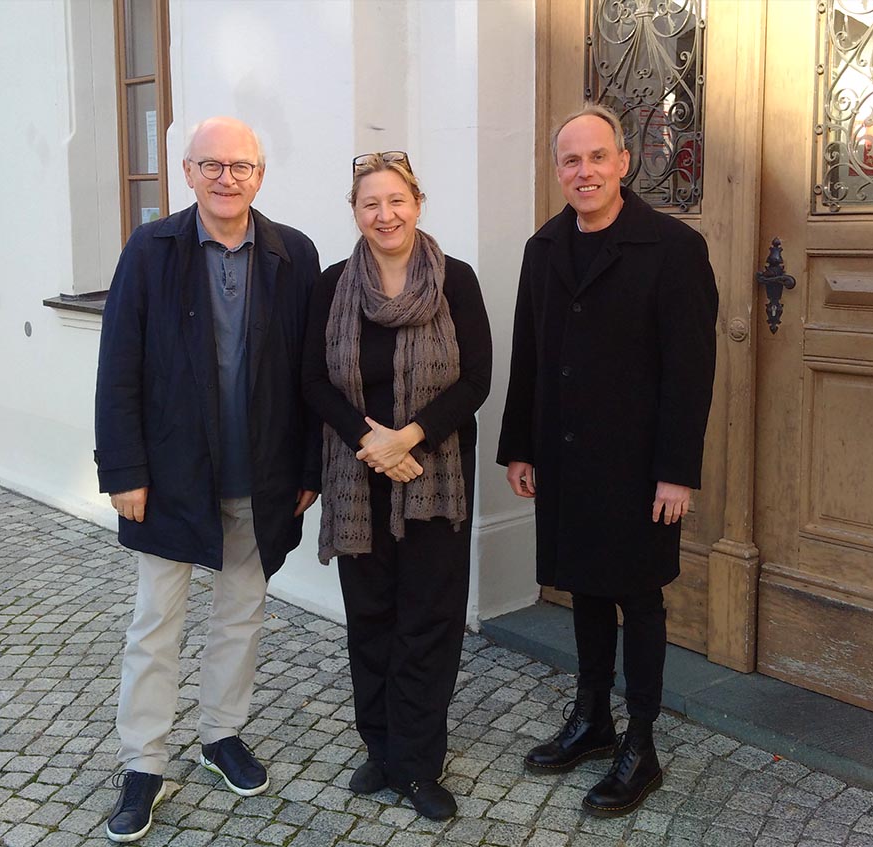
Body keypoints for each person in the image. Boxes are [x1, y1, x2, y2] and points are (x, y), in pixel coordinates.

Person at [94, 116, 320, 843]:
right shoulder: (151, 249)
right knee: (156, 623)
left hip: (262, 472)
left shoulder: (294, 254)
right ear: (187, 172)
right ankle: (143, 763)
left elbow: (310, 372)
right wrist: (123, 469)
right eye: (212, 165)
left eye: (241, 166)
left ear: (260, 175)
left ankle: (222, 733)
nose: (227, 178)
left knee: (242, 612)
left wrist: (309, 466)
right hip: (171, 473)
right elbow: (119, 363)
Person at [497, 102, 718, 817]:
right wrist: (519, 445)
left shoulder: (673, 248)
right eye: (572, 160)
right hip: (564, 456)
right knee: (584, 588)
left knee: (639, 596)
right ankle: (592, 718)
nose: (585, 171)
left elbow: (690, 370)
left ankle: (641, 743)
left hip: (640, 466)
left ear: (624, 162)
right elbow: (529, 352)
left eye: (598, 157)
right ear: (558, 170)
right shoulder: (544, 247)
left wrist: (676, 470)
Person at [302, 151, 491, 820]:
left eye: (396, 201)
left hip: (433, 475)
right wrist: (370, 441)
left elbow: (476, 381)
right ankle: (380, 748)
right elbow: (312, 380)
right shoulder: (332, 285)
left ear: (417, 204)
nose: (385, 215)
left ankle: (418, 762)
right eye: (370, 204)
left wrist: (408, 437)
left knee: (428, 621)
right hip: (358, 477)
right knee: (371, 618)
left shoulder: (455, 280)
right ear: (355, 212)